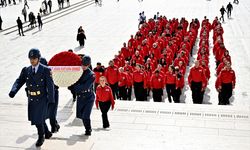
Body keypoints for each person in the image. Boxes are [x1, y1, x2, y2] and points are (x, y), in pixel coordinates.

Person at [9, 49, 54, 147]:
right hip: (32, 99)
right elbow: (19, 81)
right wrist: (13, 91)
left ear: (38, 58)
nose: (32, 61)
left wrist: (51, 100)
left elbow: (50, 86)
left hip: (42, 98)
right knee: (37, 118)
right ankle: (47, 132)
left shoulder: (46, 70)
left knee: (38, 119)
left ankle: (41, 136)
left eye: (34, 58)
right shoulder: (27, 70)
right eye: (30, 58)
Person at [68, 55, 95, 136]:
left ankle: (88, 129)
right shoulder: (77, 71)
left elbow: (85, 86)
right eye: (82, 64)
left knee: (86, 115)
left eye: (85, 65)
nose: (83, 66)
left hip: (88, 97)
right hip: (80, 97)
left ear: (89, 65)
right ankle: (87, 127)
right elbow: (72, 82)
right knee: (82, 116)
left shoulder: (92, 74)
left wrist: (75, 86)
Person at [39, 57, 60, 133]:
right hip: (43, 95)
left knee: (52, 113)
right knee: (44, 114)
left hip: (53, 94)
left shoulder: (51, 72)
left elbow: (57, 83)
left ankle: (54, 126)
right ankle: (55, 125)